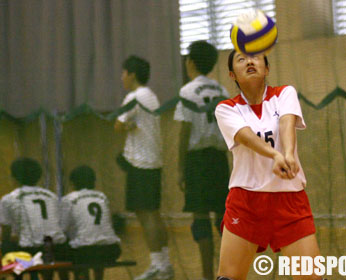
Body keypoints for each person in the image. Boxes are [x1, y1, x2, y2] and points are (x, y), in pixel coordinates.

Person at [214, 50, 322, 280]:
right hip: (246, 201)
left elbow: (286, 122)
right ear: (232, 75)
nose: (250, 61)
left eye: (255, 57)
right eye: (241, 59)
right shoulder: (226, 108)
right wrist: (275, 155)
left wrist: (289, 154)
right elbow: (245, 136)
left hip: (289, 199)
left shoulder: (285, 93)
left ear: (267, 68)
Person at [174, 40, 230, 280]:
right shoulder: (222, 91)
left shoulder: (186, 91)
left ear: (190, 62)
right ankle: (228, 271)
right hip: (219, 158)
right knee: (223, 217)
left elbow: (184, 132)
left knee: (199, 217)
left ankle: (207, 274)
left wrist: (179, 169)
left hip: (196, 160)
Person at [114, 55, 173, 280]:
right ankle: (163, 264)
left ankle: (160, 266)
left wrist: (127, 125)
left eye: (123, 73)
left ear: (132, 74)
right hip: (152, 162)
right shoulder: (151, 96)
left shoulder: (134, 96)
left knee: (146, 216)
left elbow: (118, 125)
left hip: (140, 164)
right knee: (152, 215)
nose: (122, 78)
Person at [0, 157, 68, 280]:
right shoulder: (51, 196)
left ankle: (18, 276)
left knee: (7, 246)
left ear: (14, 177)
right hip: (57, 247)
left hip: (32, 250)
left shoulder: (9, 198)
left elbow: (5, 232)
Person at [60, 165, 121, 280]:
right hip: (112, 250)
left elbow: (62, 229)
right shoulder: (102, 196)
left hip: (84, 253)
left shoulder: (68, 199)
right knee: (97, 238)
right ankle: (98, 278)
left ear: (73, 182)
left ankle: (81, 276)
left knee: (62, 249)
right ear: (94, 181)